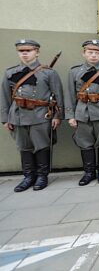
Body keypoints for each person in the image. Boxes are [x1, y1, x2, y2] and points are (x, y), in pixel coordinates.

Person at [1, 39, 63, 192]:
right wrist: (4, 119)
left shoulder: (48, 73)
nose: (25, 54)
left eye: (28, 50)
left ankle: (42, 176)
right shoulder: (10, 73)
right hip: (18, 116)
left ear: (37, 52)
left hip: (41, 115)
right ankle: (28, 176)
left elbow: (58, 96)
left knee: (42, 145)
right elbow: (4, 97)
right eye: (21, 51)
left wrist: (57, 116)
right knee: (24, 146)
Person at [65, 39, 99, 185]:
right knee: (85, 142)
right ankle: (89, 172)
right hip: (82, 112)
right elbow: (70, 95)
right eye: (90, 52)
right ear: (84, 53)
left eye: (97, 53)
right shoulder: (74, 72)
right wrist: (70, 115)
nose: (94, 56)